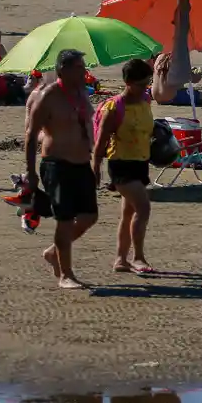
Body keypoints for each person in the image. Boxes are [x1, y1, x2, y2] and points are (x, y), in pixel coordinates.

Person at [24, 49, 100, 289]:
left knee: (89, 216)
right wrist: (32, 171)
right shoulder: (48, 96)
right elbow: (31, 134)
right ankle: (65, 274)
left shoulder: (82, 93)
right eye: (78, 67)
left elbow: (88, 125)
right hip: (56, 164)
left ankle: (53, 252)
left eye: (83, 67)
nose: (83, 71)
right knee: (65, 220)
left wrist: (96, 161)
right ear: (62, 70)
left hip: (81, 163)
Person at [91, 59, 156, 274]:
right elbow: (100, 143)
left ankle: (120, 259)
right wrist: (95, 168)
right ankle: (138, 258)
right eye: (141, 84)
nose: (145, 88)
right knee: (143, 208)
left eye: (148, 83)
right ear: (128, 82)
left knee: (128, 212)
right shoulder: (114, 107)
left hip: (141, 162)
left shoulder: (145, 100)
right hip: (121, 165)